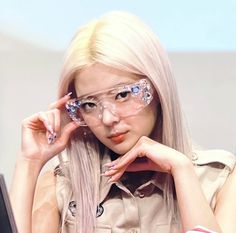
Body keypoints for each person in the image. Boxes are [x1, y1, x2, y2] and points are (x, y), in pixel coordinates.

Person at [10, 11, 236, 233]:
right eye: (89, 104)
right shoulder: (62, 186)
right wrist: (29, 162)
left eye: (122, 95)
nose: (108, 119)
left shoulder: (220, 178)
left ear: (157, 90)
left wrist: (182, 170)